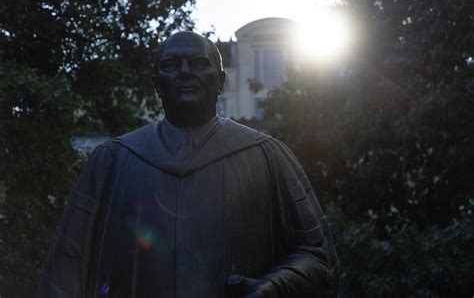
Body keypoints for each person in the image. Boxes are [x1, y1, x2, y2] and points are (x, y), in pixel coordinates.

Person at [37, 31, 339, 297]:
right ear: (156, 84)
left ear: (220, 81)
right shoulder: (112, 161)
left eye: (198, 63)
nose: (184, 72)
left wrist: (274, 286)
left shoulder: (268, 156)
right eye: (171, 65)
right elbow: (66, 266)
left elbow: (318, 256)